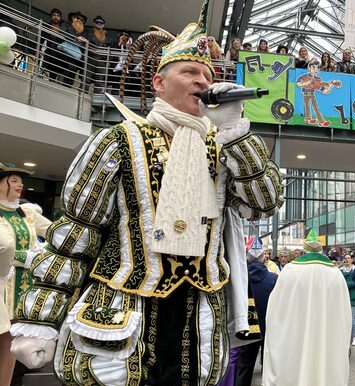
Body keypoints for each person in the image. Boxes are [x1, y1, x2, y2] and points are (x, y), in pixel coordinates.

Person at [9, 2, 284, 384]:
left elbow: (265, 203)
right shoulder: (118, 141)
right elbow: (75, 235)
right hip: (123, 311)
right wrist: (39, 318)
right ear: (159, 82)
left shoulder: (225, 149)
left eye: (208, 76)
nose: (203, 82)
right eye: (190, 72)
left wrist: (236, 131)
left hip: (199, 318)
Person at [263, 230, 351, 386]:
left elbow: (276, 308)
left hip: (297, 333)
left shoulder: (291, 271)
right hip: (326, 333)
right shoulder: (335, 273)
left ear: (305, 249)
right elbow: (344, 312)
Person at [0, 164, 51, 386]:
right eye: (14, 180)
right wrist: (24, 257)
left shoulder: (28, 213)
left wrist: (41, 254)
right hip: (2, 286)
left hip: (24, 290)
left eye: (21, 181)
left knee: (13, 347)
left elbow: (59, 234)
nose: (20, 185)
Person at [235, 238, 277, 386]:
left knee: (244, 367)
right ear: (263, 259)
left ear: (248, 258)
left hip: (247, 328)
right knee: (269, 369)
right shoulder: (274, 279)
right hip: (269, 330)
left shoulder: (240, 279)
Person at [86, 15, 113, 93]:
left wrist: (107, 62)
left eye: (101, 22)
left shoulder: (108, 37)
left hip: (102, 61)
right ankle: (83, 92)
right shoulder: (89, 33)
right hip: (90, 59)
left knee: (99, 81)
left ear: (103, 25)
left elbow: (110, 51)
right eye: (97, 22)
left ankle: (97, 96)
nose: (99, 23)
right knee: (86, 79)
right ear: (94, 23)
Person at [341, 254, 355, 346]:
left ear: (351, 260)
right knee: (343, 319)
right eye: (345, 258)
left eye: (349, 258)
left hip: (352, 297)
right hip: (342, 297)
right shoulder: (340, 270)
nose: (347, 260)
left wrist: (344, 284)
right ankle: (345, 336)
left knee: (352, 319)